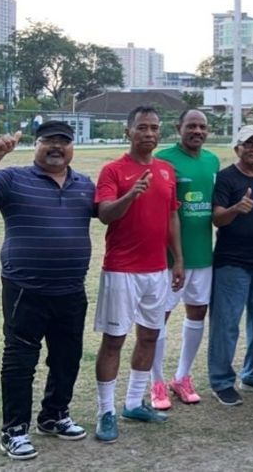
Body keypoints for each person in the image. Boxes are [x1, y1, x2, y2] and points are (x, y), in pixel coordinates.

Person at [0, 122, 94, 460]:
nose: (56, 147)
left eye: (63, 142)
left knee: (67, 358)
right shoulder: (12, 178)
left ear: (71, 148)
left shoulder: (84, 185)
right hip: (25, 289)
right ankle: (14, 430)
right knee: (20, 360)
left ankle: (54, 415)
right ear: (36, 145)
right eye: (49, 140)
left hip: (71, 290)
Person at [93, 106, 184, 442]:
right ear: (128, 132)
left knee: (149, 337)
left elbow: (172, 217)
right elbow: (104, 214)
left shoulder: (166, 170)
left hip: (157, 270)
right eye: (142, 127)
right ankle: (105, 411)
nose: (149, 133)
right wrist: (131, 195)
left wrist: (178, 260)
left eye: (154, 128)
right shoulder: (112, 170)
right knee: (114, 341)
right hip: (122, 271)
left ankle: (133, 402)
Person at [150, 109, 220, 409]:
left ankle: (182, 376)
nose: (197, 131)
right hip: (168, 259)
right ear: (179, 127)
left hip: (203, 255)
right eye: (191, 126)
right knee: (158, 317)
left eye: (202, 127)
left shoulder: (213, 160)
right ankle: (156, 382)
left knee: (197, 313)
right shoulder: (163, 159)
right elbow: (165, 211)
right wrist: (176, 257)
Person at [208, 125, 253, 406]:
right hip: (232, 263)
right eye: (248, 144)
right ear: (237, 147)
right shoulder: (227, 178)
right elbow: (217, 218)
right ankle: (222, 380)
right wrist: (235, 209)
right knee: (226, 325)